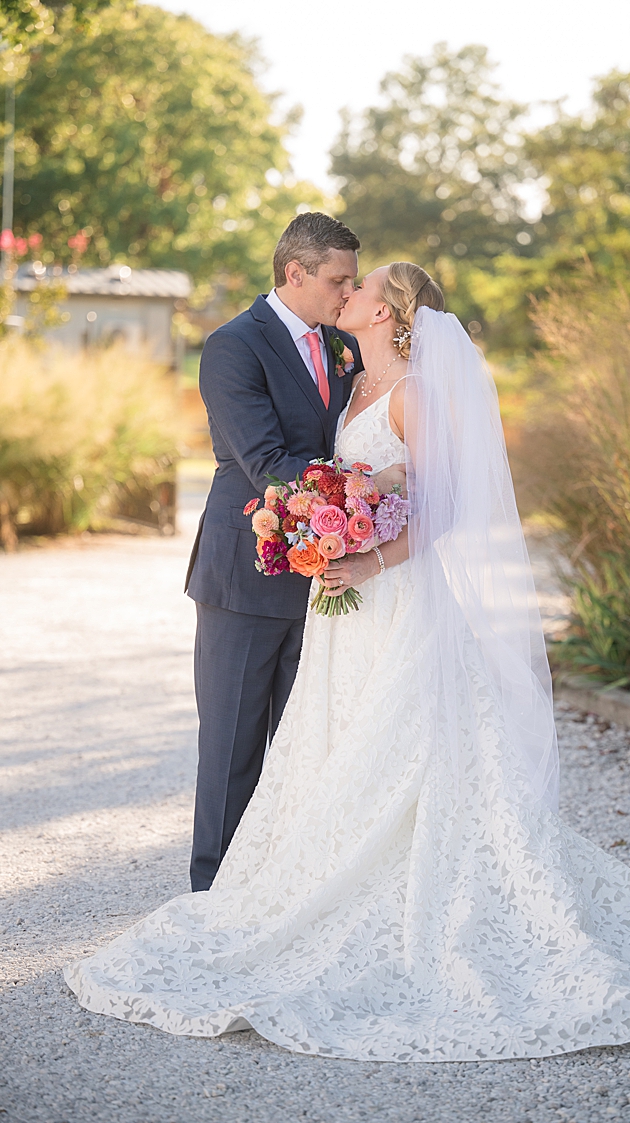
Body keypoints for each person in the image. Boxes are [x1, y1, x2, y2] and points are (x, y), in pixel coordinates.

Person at [68, 263, 630, 1061]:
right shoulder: (349, 383)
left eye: (361, 285)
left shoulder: (415, 394)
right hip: (339, 609)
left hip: (396, 597)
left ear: (391, 311)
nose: (346, 292)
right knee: (332, 742)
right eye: (343, 281)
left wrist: (368, 561)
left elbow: (446, 505)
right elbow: (341, 476)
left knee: (406, 753)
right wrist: (328, 524)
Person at [184, 212, 365, 892]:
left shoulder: (342, 346)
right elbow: (265, 462)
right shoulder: (234, 345)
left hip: (327, 580)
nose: (347, 293)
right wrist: (365, 497)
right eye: (336, 280)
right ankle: (213, 899)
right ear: (296, 274)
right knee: (232, 750)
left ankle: (282, 900)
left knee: (302, 750)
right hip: (246, 575)